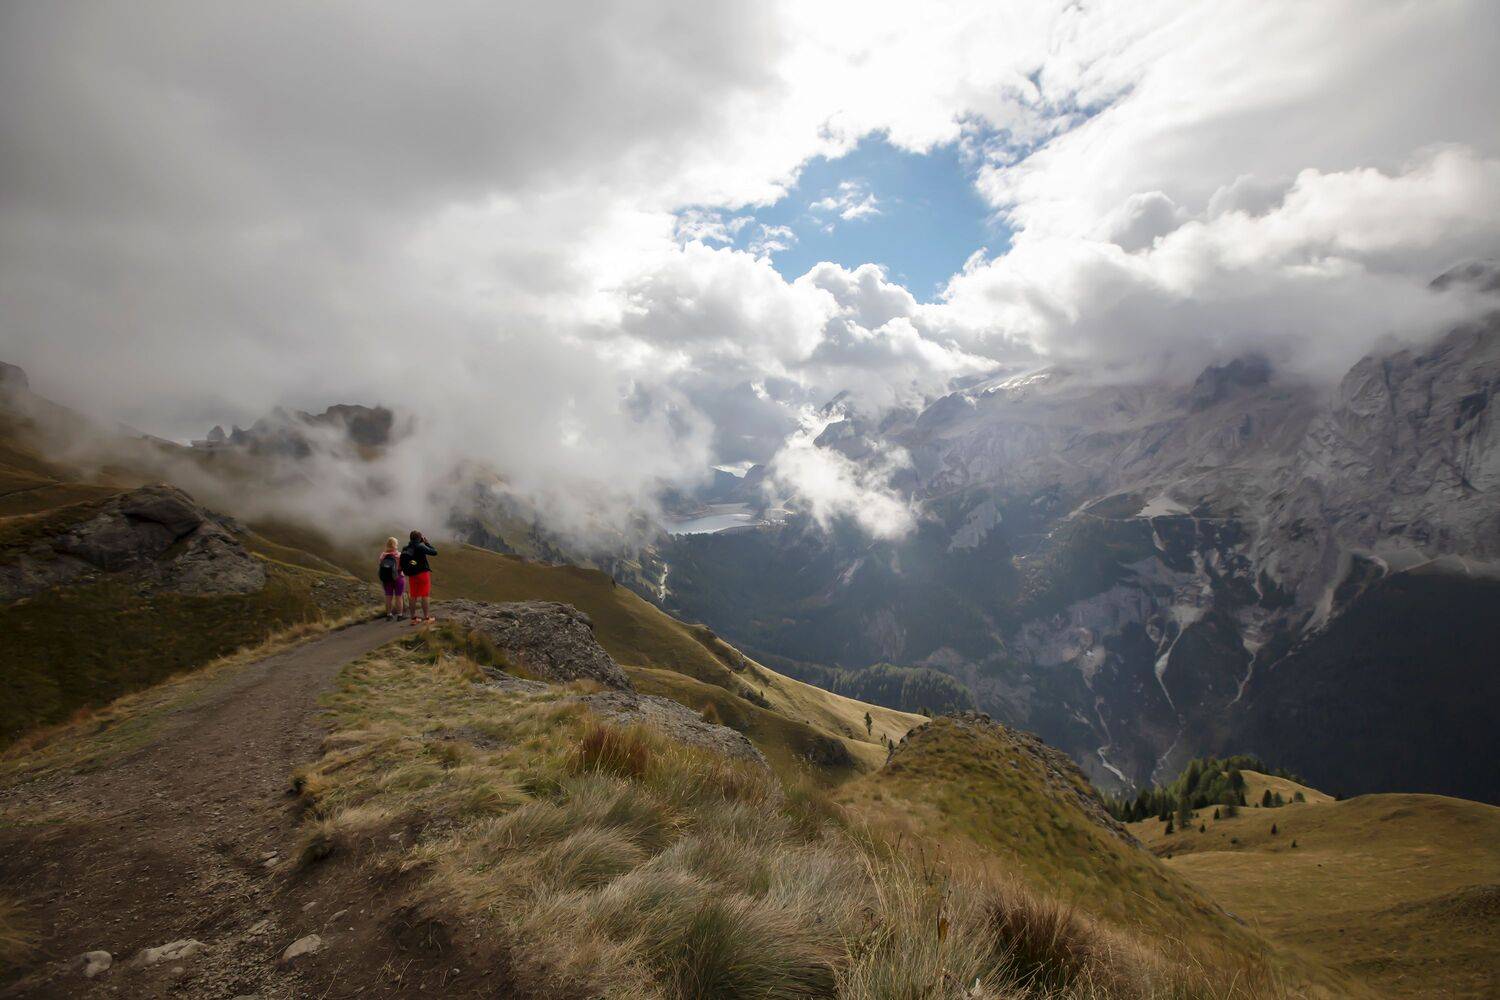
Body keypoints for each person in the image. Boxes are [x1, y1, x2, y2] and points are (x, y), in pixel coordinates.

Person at [400, 530, 438, 624]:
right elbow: (434, 552)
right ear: (420, 538)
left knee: (413, 595)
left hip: (412, 574)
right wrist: (427, 543)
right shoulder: (420, 546)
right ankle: (426, 618)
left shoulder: (405, 548)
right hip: (422, 573)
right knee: (424, 595)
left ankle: (413, 619)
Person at [377, 537, 406, 621]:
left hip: (387, 578)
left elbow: (381, 565)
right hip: (398, 577)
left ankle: (389, 615)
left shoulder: (383, 555)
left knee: (388, 596)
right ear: (395, 545)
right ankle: (400, 615)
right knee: (399, 596)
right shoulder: (399, 555)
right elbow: (402, 566)